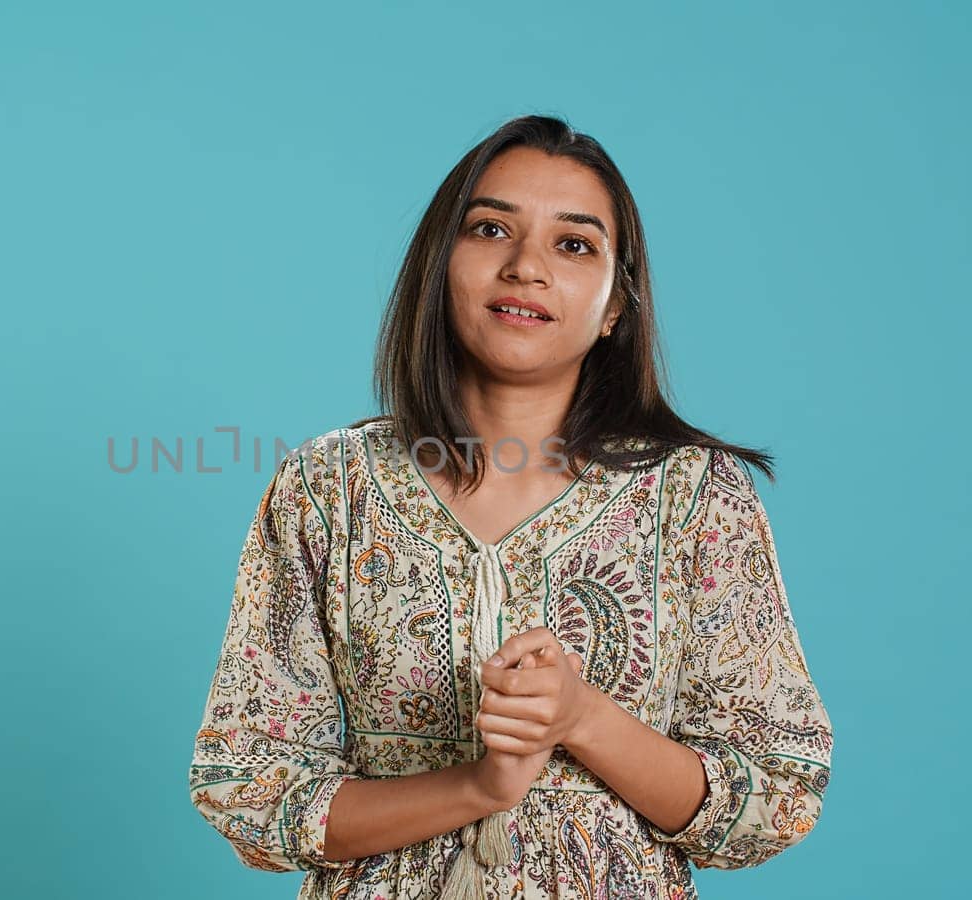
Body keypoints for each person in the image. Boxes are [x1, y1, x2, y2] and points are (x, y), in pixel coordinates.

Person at [187, 114, 834, 900]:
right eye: (491, 229)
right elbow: (249, 788)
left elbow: (775, 794)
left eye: (573, 244)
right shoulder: (329, 488)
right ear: (439, 266)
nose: (526, 266)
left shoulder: (696, 497)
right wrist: (480, 788)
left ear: (615, 307)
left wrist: (582, 718)